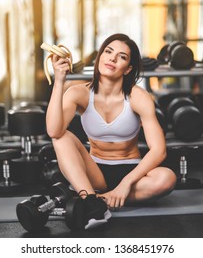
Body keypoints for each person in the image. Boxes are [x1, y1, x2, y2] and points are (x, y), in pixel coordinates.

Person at [46, 33, 177, 229]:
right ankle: (92, 200)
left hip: (132, 172)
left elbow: (159, 150)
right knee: (61, 137)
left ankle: (92, 200)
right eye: (108, 51)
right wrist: (59, 81)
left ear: (128, 69)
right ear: (100, 57)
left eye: (122, 56)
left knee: (167, 178)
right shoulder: (78, 92)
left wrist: (125, 184)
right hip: (95, 171)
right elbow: (53, 130)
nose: (112, 58)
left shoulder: (138, 97)